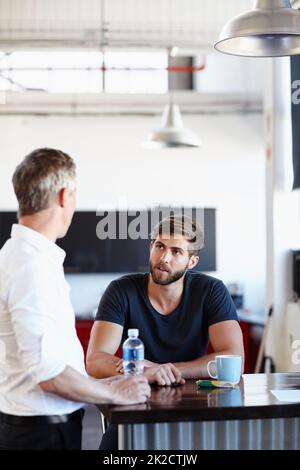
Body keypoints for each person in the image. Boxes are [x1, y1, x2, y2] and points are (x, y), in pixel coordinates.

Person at [0, 148, 150, 450]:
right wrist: (116, 394)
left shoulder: (25, 255)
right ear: (64, 196)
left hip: (37, 425)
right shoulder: (30, 265)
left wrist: (101, 385)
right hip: (40, 434)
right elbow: (49, 374)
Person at [87, 214, 244, 449]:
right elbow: (95, 360)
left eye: (176, 251)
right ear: (151, 247)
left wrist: (164, 371)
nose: (164, 257)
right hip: (133, 407)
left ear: (192, 261)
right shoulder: (121, 290)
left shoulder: (211, 290)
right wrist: (143, 373)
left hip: (195, 407)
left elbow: (233, 357)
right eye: (159, 246)